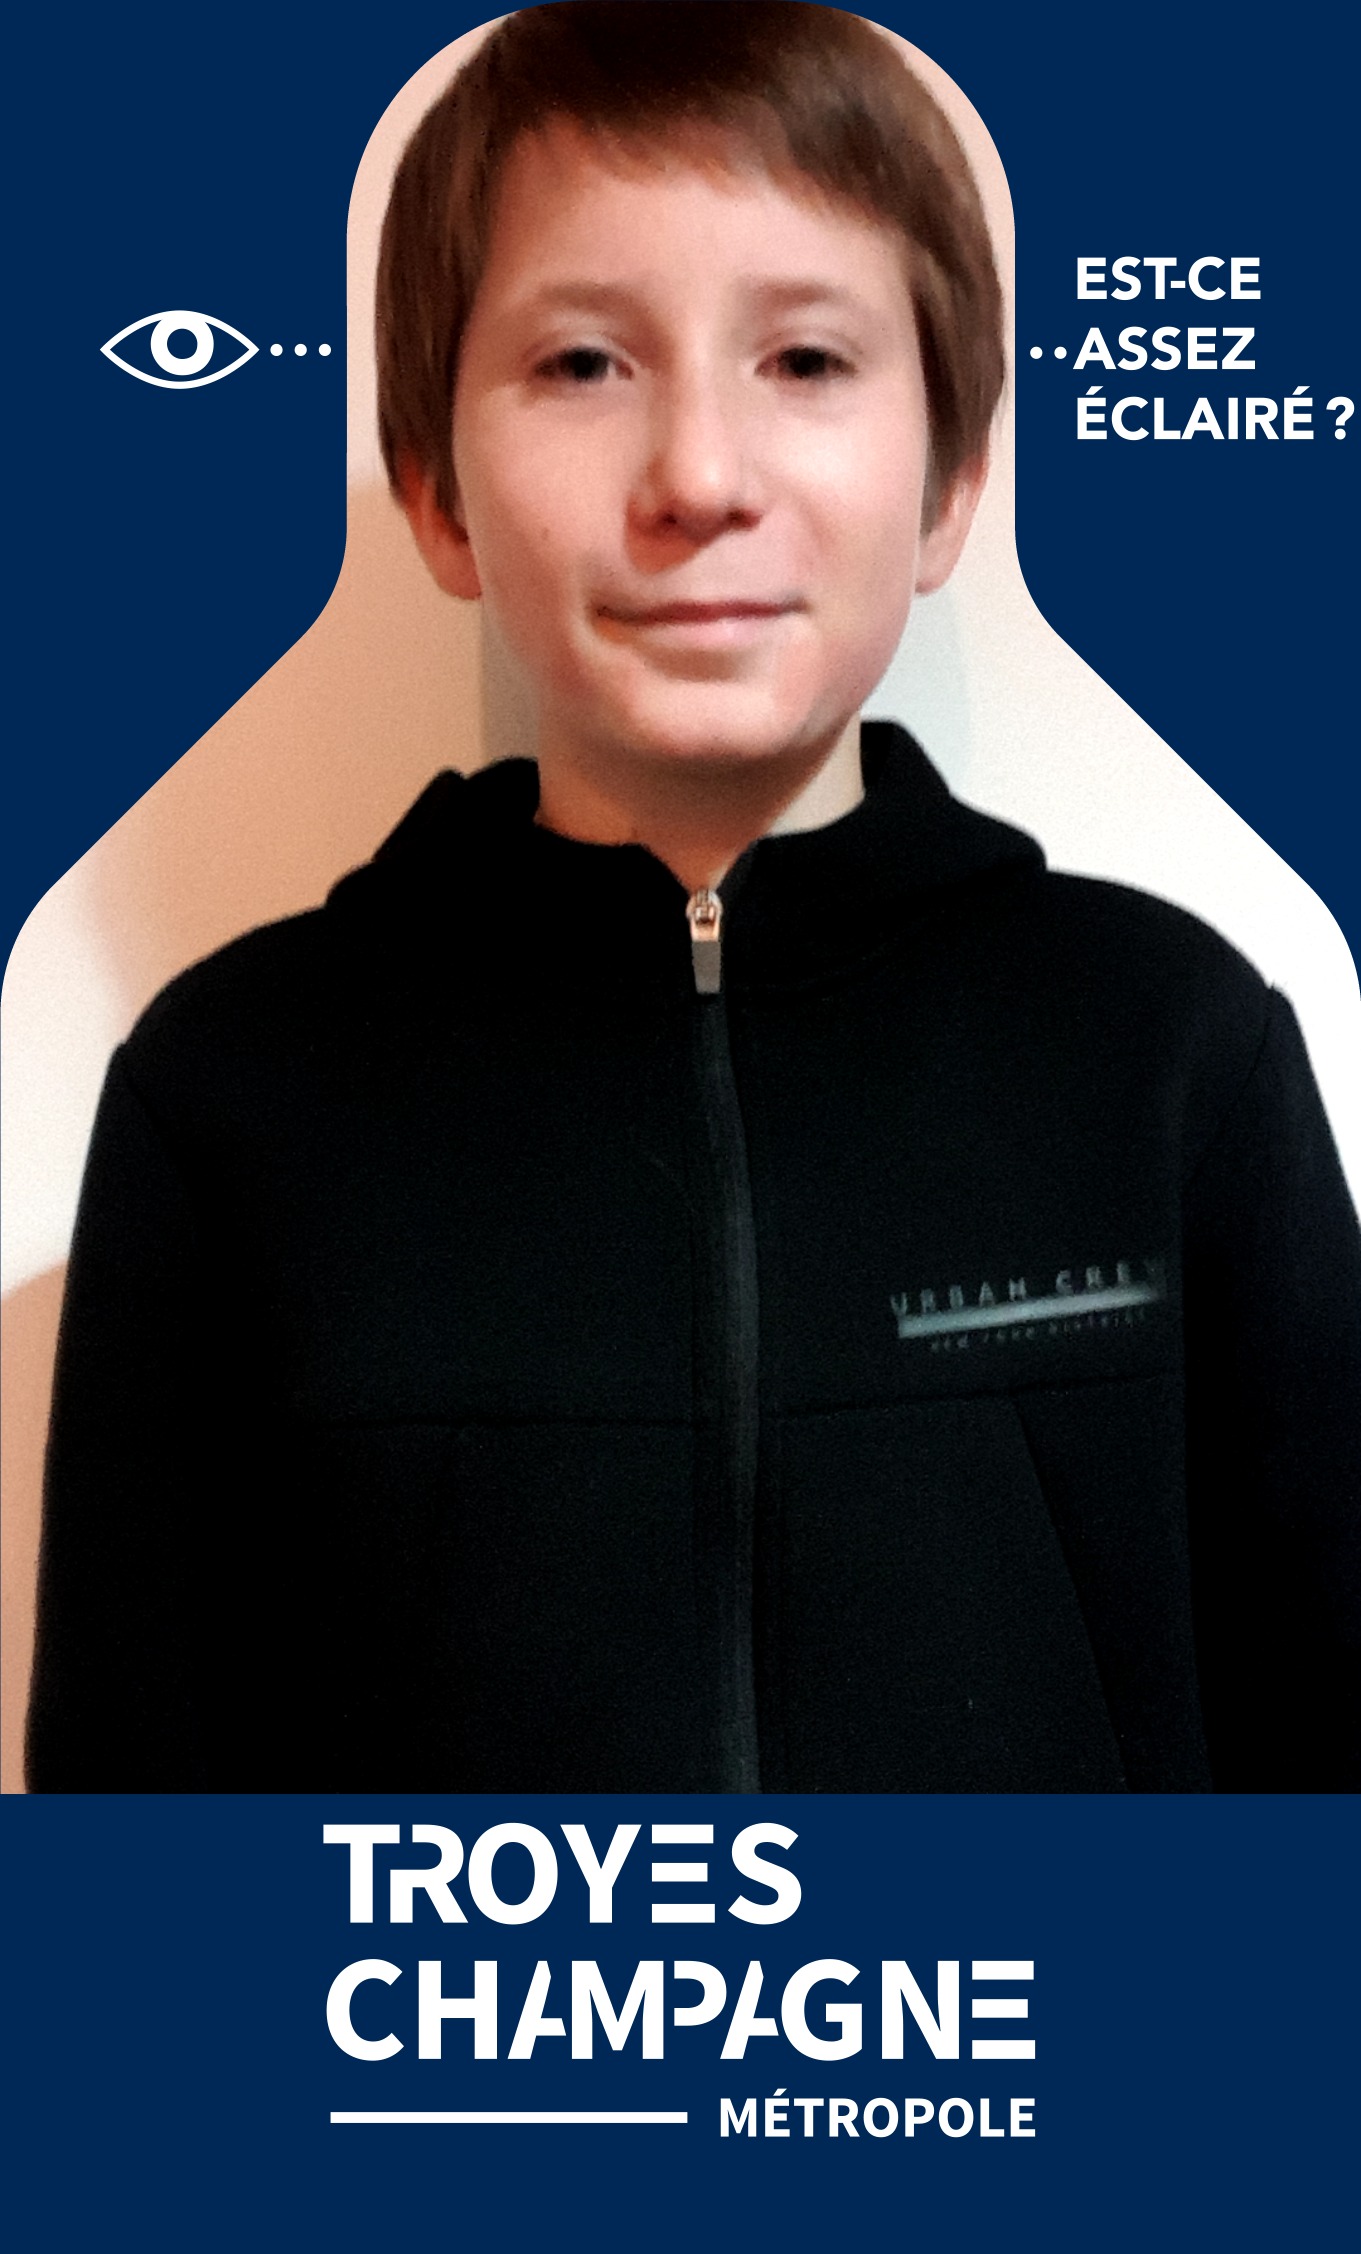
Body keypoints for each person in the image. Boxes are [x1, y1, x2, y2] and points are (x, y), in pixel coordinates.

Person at [26, 2, 1360, 1792]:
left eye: (804, 358)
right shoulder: (228, 1099)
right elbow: (130, 1867)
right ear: (435, 493)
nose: (699, 479)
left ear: (950, 481)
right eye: (582, 362)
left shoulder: (1172, 1050)